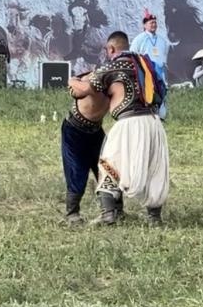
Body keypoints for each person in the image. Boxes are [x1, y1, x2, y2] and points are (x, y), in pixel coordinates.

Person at [69, 32, 169, 225]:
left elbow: (82, 91)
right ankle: (154, 217)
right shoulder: (144, 64)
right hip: (154, 122)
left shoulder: (112, 66)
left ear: (111, 49)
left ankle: (108, 213)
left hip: (128, 123)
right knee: (154, 167)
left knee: (108, 164)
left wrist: (72, 80)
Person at [61, 76, 109, 223]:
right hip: (74, 130)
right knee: (76, 169)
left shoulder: (121, 78)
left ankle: (113, 210)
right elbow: (80, 90)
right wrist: (72, 81)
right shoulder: (98, 75)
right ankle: (72, 213)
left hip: (96, 129)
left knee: (106, 168)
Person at [130, 10, 170, 118]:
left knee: (161, 91)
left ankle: (161, 115)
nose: (153, 25)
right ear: (145, 25)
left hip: (160, 71)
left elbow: (164, 56)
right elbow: (133, 55)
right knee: (148, 92)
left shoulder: (162, 40)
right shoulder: (139, 39)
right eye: (151, 23)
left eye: (155, 22)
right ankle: (147, 114)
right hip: (146, 71)